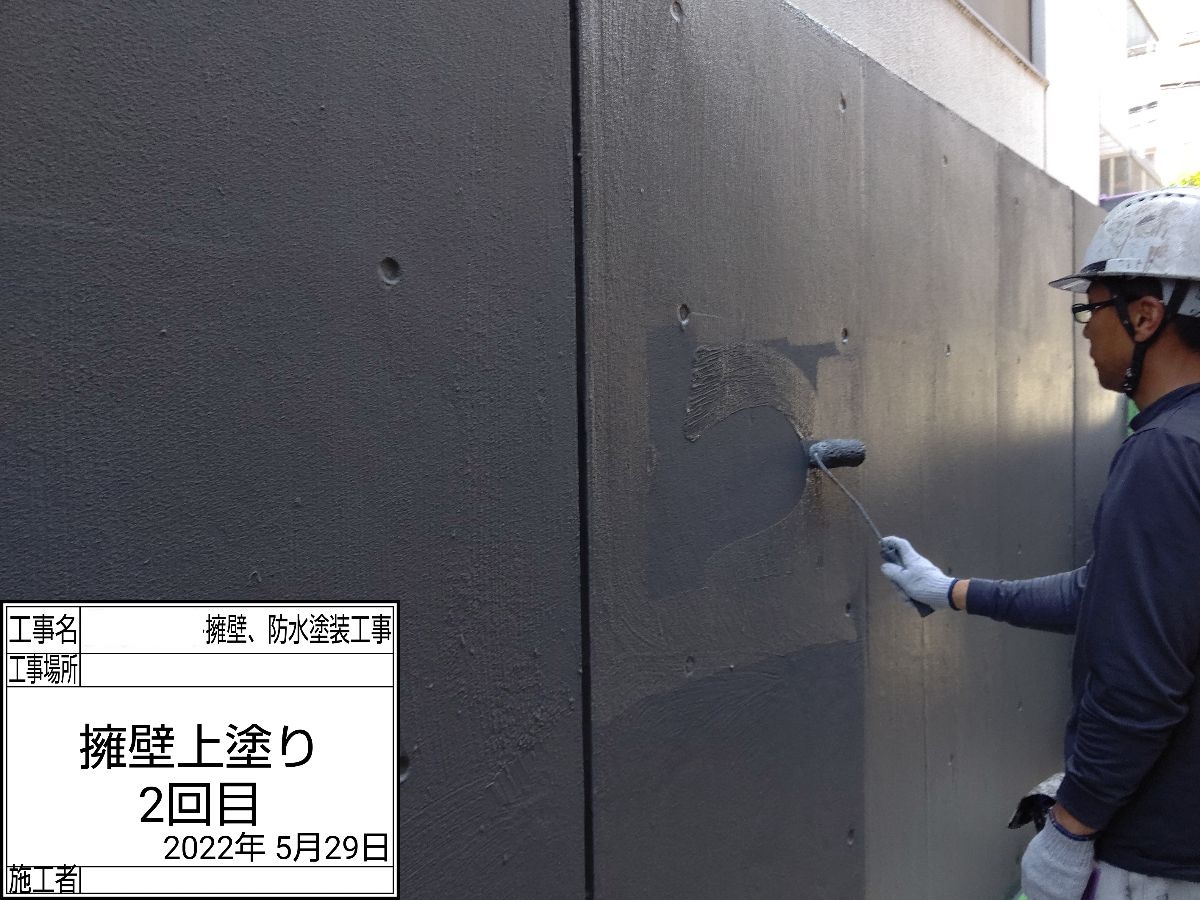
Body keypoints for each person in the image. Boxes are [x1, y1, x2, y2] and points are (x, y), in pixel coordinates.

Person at [880, 187, 1200, 900]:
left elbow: (1140, 685)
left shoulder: (1164, 455)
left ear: (1146, 316)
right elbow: (1110, 594)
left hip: (1157, 860)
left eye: (1092, 309)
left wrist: (1070, 828)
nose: (1085, 332)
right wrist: (951, 591)